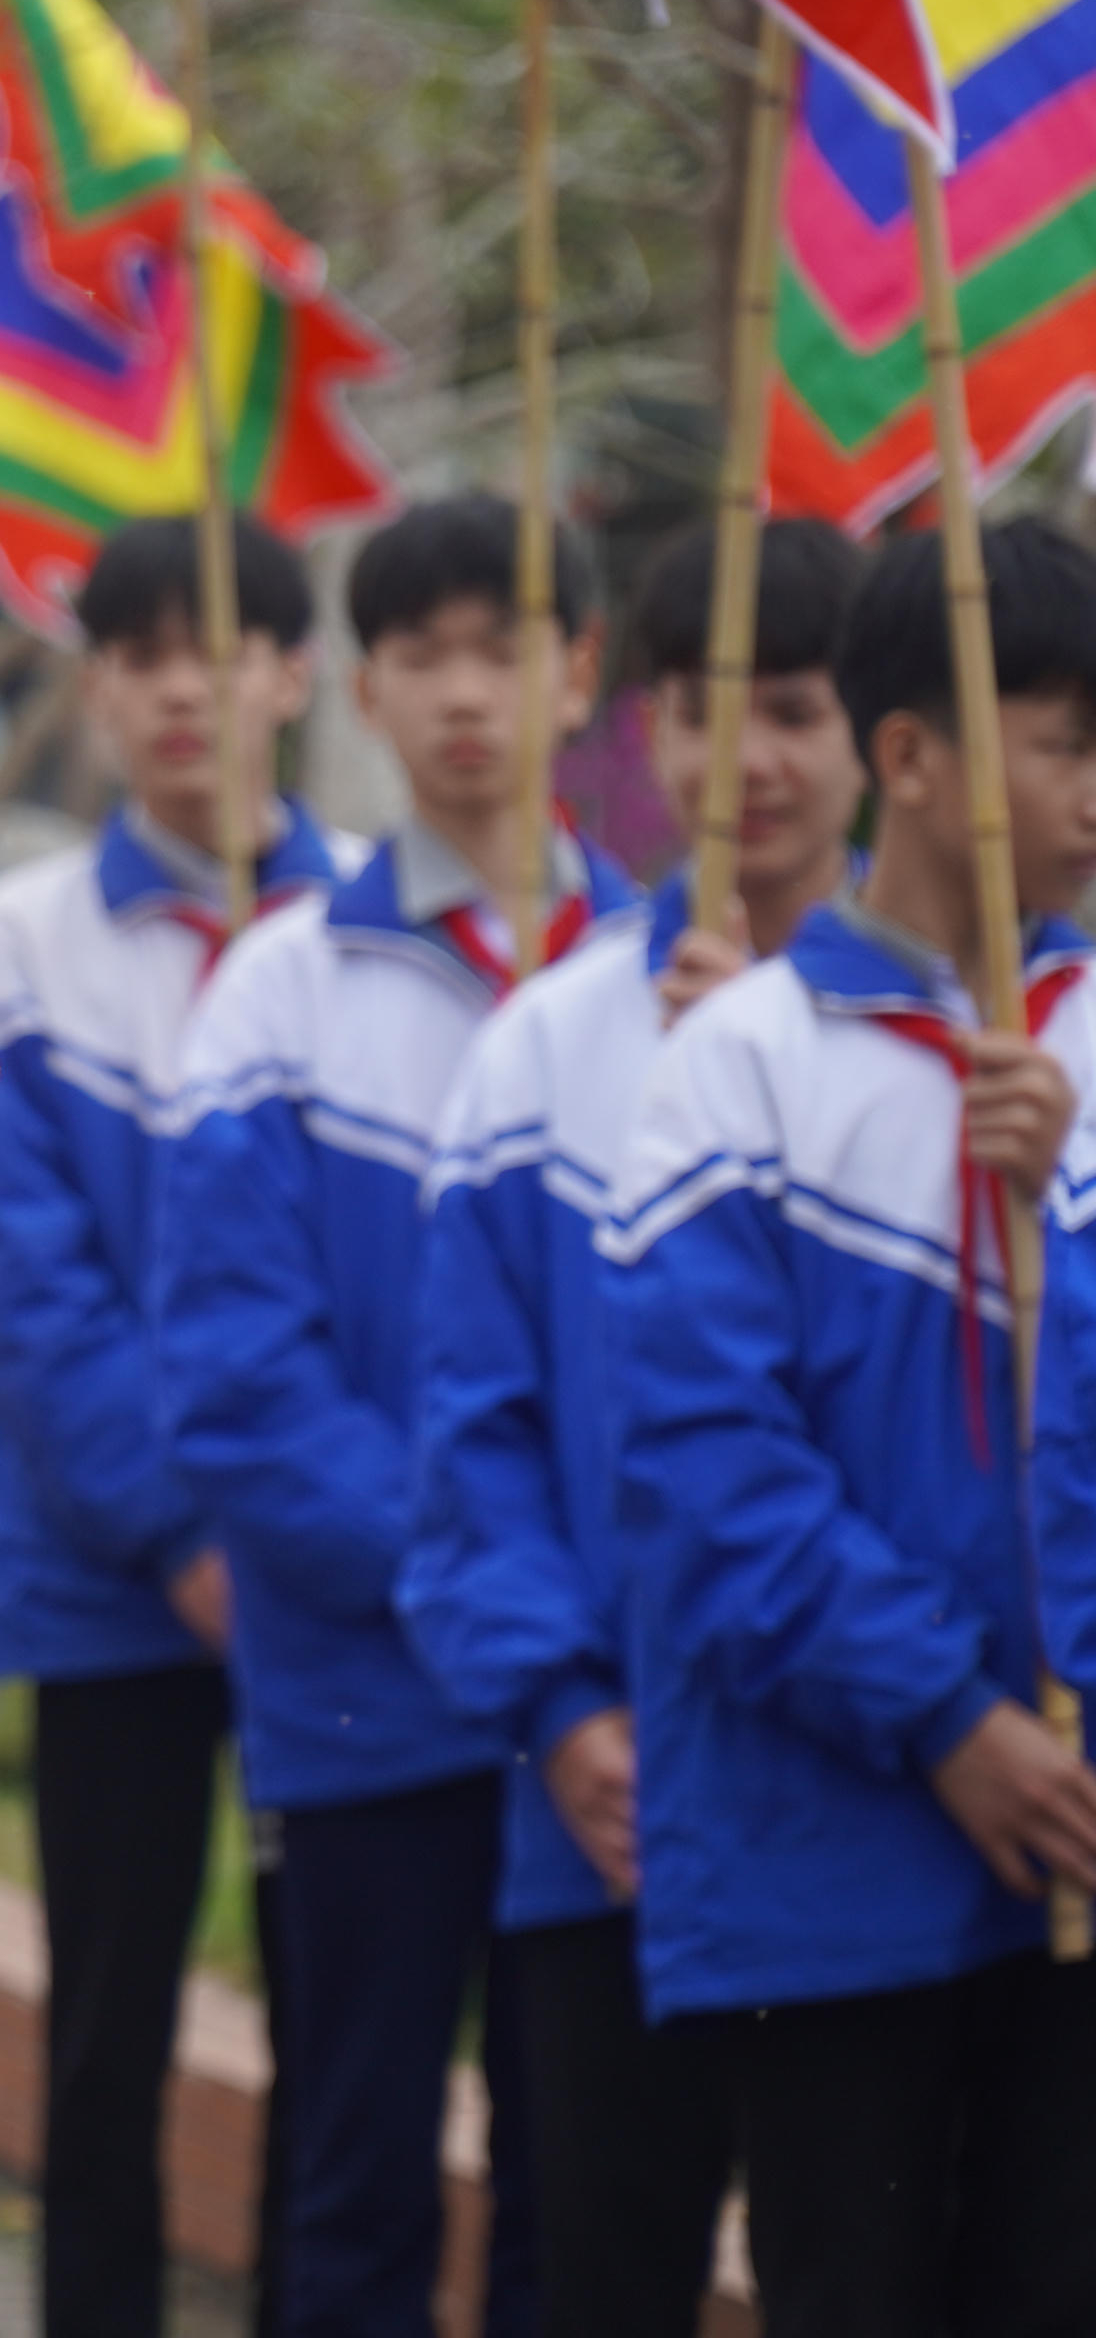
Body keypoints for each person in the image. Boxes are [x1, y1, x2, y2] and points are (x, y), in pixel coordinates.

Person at [614, 518, 1096, 2337]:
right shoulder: (741, 1066)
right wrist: (955, 1722)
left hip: (1076, 1847)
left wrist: (1069, 1210)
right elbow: (711, 1477)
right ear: (918, 756)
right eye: (1064, 743)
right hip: (833, 1859)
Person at [160, 493, 628, 2338]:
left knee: (579, 2199)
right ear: (362, 685)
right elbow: (238, 1376)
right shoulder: (285, 982)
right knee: (350, 2184)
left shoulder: (668, 985)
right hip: (370, 1697)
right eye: (419, 653)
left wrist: (573, 1651)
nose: (462, 696)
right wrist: (485, 1597)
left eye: (502, 647)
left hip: (603, 1716)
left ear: (581, 674)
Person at [400, 520, 865, 2336]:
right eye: (700, 709)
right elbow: (476, 1441)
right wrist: (569, 1717)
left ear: (889, 740)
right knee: (596, 2271)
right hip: (607, 1817)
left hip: (886, 1820)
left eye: (800, 711)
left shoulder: (984, 1054)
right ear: (644, 728)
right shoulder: (544, 1046)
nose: (744, 760)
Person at [0, 513, 328, 2338]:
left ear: (295, 674)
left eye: (226, 648)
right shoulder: (12, 946)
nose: (188, 690)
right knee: (110, 2028)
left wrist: (300, 1539)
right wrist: (185, 1537)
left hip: (344, 1593)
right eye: (146, 655)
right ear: (100, 688)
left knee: (347, 2024)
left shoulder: (371, 943)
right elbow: (29, 1290)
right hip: (111, 1590)